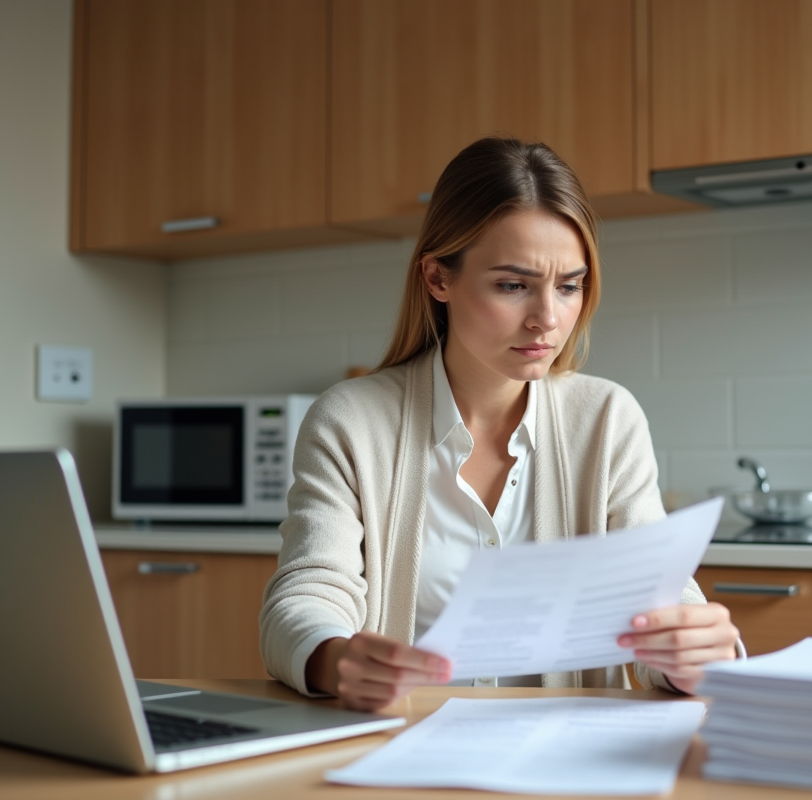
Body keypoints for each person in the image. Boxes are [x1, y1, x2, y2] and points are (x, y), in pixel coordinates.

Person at [259, 137, 741, 712]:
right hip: (399, 751)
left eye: (569, 286)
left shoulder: (608, 419)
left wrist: (691, 649)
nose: (547, 319)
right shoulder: (350, 421)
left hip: (566, 759)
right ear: (438, 279)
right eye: (513, 286)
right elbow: (306, 594)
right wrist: (336, 659)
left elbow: (656, 600)